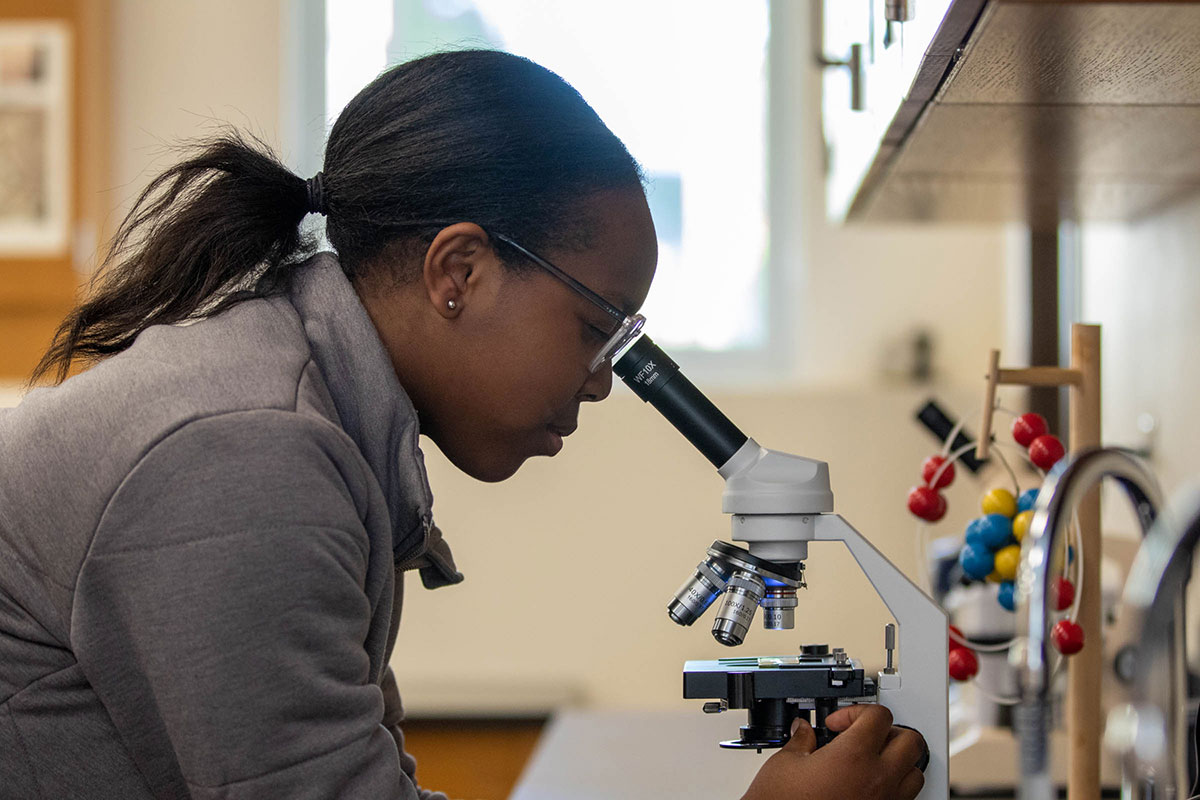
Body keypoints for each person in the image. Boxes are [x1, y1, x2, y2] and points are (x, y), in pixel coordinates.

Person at [0, 50, 925, 799]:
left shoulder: (317, 420)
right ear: (460, 272)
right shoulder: (245, 453)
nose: (602, 384)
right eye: (595, 328)